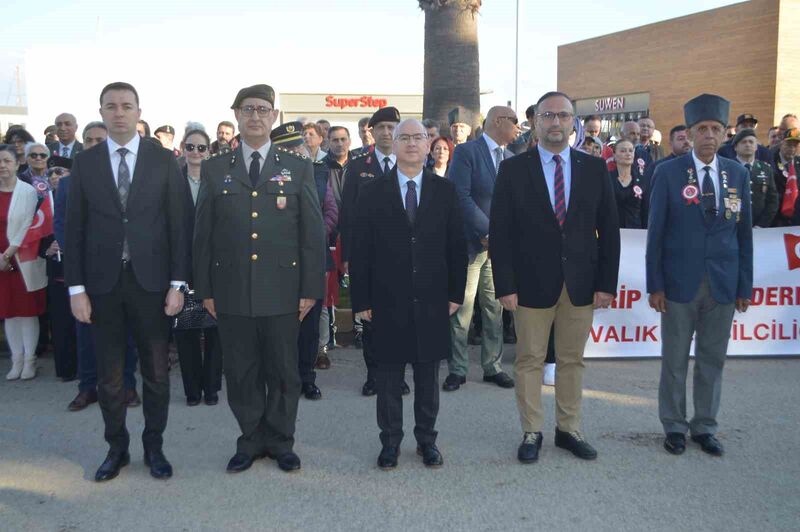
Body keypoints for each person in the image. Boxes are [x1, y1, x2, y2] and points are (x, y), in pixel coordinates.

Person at [193, 84, 325, 474]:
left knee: (284, 370)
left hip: (284, 291)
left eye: (263, 110)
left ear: (273, 117)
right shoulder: (216, 168)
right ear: (236, 114)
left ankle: (282, 441)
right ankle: (250, 439)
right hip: (231, 290)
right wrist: (205, 290)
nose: (255, 116)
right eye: (247, 109)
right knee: (241, 370)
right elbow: (203, 234)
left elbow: (312, 234)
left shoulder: (297, 166)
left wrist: (310, 289)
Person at [65, 81, 189, 482]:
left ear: (139, 112)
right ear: (101, 112)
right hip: (102, 287)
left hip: (152, 285)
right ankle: (116, 449)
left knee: (155, 373)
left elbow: (178, 226)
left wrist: (178, 283)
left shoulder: (163, 160)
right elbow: (75, 230)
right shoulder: (85, 163)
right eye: (111, 106)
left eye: (126, 106)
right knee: (110, 377)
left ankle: (155, 448)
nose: (119, 112)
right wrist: (76, 289)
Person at [489, 91, 620, 463]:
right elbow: (501, 233)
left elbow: (609, 230)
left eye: (563, 116)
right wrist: (506, 286)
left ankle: (569, 428)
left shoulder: (594, 168)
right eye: (548, 116)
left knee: (571, 359)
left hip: (581, 283)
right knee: (529, 359)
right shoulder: (513, 169)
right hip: (530, 283)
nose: (556, 123)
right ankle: (532, 430)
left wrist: (606, 284)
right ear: (535, 122)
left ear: (573, 123)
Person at [350, 118, 467, 470]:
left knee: (428, 378)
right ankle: (390, 443)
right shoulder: (372, 192)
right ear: (393, 143)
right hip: (387, 300)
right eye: (405, 138)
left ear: (430, 144)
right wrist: (362, 301)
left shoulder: (445, 191)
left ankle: (426, 441)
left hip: (433, 299)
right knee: (388, 378)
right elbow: (361, 251)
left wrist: (455, 294)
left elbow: (456, 247)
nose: (412, 143)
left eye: (419, 137)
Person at [647, 93, 753, 457]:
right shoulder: (668, 172)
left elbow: (744, 234)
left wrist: (744, 286)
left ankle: (705, 426)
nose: (709, 135)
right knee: (674, 359)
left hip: (723, 284)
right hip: (679, 284)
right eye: (702, 129)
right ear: (689, 133)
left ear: (726, 133)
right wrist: (655, 284)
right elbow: (655, 234)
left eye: (716, 129)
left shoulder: (737, 173)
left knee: (712, 359)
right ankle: (674, 425)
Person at [58, 121, 142, 411]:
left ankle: (128, 385)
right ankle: (87, 387)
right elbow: (64, 227)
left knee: (126, 333)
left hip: (125, 270)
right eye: (90, 140)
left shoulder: (128, 177)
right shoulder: (69, 182)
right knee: (86, 332)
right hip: (87, 272)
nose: (95, 144)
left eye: (99, 140)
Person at [445, 106, 519, 393]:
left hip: (500, 249)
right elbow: (459, 195)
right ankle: (458, 369)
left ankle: (493, 366)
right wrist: (487, 231)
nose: (517, 129)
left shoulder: (511, 158)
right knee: (463, 309)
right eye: (513, 122)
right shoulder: (467, 152)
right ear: (499, 121)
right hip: (472, 244)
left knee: (494, 308)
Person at [340, 106, 408, 397]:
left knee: (401, 318)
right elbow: (347, 214)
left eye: (392, 127)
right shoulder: (358, 165)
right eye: (380, 128)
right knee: (369, 318)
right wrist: (347, 256)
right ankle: (373, 375)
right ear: (372, 131)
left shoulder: (409, 162)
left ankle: (398, 376)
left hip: (403, 257)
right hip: (367, 257)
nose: (386, 133)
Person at [271, 121, 338, 400]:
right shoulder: (269, 178)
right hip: (280, 261)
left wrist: (314, 233)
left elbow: (332, 209)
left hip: (313, 257)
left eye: (298, 144)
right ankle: (284, 379)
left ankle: (307, 378)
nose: (296, 150)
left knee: (310, 324)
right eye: (288, 147)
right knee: (284, 323)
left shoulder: (319, 172)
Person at [174, 128, 223, 407]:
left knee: (215, 329)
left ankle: (212, 387)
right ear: (182, 148)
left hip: (215, 266)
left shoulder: (217, 181)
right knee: (186, 328)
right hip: (183, 266)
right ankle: (192, 389)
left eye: (202, 148)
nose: (196, 153)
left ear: (209, 151)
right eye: (191, 147)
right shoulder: (173, 181)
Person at [1, 145, 48, 381]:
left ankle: (30, 360)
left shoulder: (28, 191)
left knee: (27, 312)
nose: (3, 166)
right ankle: (16, 359)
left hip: (21, 258)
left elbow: (27, 225)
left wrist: (7, 254)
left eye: (7, 161)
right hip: (0, 263)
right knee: (9, 313)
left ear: (17, 163)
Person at [39, 156, 76, 381]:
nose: (54, 176)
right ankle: (66, 369)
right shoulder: (42, 202)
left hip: (78, 269)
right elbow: (31, 234)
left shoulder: (79, 198)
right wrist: (46, 249)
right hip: (56, 272)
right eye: (51, 173)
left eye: (59, 172)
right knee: (61, 323)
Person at [732, 128, 778, 227]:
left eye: (751, 142)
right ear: (735, 147)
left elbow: (772, 201)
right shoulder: (728, 168)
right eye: (743, 142)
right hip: (733, 226)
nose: (748, 144)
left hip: (759, 227)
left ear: (756, 146)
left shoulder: (766, 169)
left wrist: (761, 225)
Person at [610, 139, 648, 229]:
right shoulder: (607, 179)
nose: (628, 154)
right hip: (612, 230)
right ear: (614, 155)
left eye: (631, 150)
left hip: (636, 232)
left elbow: (646, 210)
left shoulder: (642, 180)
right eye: (623, 151)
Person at [770, 127, 800, 226]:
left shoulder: (798, 163)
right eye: (788, 145)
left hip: (795, 218)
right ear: (781, 143)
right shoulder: (770, 160)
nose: (792, 149)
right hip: (775, 218)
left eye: (795, 146)